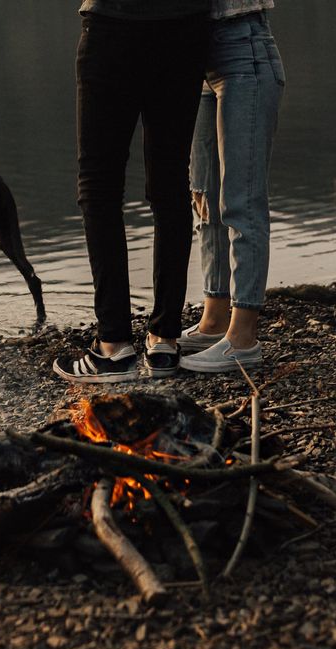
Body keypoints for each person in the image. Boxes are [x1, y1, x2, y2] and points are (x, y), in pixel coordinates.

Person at [53, 0, 210, 384]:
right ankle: (164, 340)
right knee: (170, 179)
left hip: (113, 23)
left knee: (99, 184)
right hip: (184, 26)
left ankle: (114, 345)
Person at [178, 1, 284, 373]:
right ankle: (215, 318)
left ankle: (243, 338)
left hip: (244, 44)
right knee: (205, 195)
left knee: (242, 199)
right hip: (198, 49)